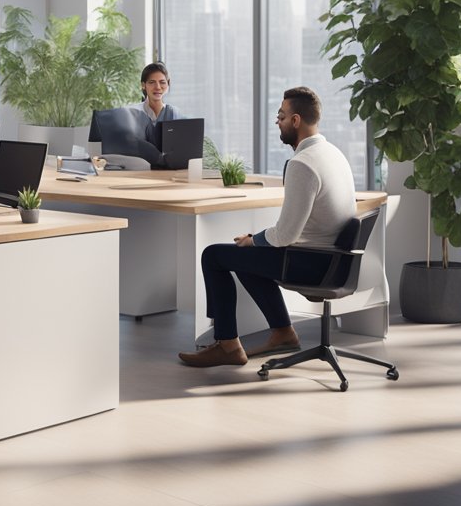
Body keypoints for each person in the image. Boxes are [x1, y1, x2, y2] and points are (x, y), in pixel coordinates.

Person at [179, 87, 356, 367]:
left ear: (296, 120)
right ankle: (283, 332)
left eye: (281, 116)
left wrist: (255, 240)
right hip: (334, 260)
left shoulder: (303, 163)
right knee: (247, 256)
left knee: (213, 255)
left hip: (311, 263)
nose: (278, 122)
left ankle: (227, 345)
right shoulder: (333, 153)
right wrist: (255, 241)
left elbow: (286, 235)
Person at [130, 62, 182, 142]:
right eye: (152, 82)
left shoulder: (174, 112)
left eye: (162, 82)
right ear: (143, 85)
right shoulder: (133, 112)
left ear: (168, 84)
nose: (157, 87)